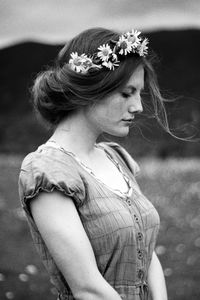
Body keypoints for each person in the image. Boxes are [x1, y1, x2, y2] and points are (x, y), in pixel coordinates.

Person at [18, 27, 168, 300]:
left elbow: (146, 251)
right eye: (126, 94)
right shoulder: (49, 172)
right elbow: (87, 288)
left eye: (139, 94)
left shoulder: (115, 157)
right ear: (90, 90)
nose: (138, 107)